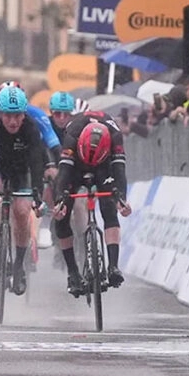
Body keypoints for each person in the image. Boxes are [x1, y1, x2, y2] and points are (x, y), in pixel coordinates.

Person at [53, 111, 132, 297]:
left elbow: (119, 171)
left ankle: (113, 266)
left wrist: (121, 200)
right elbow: (63, 174)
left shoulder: (115, 136)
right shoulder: (72, 134)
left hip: (103, 166)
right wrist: (59, 202)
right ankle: (73, 273)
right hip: (76, 166)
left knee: (109, 207)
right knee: (62, 217)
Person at [0, 86, 46, 296]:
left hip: (21, 170)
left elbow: (36, 162)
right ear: (0, 114)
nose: (13, 122)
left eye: (17, 116)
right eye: (7, 116)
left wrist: (37, 193)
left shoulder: (31, 129)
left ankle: (18, 265)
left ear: (24, 114)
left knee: (23, 211)